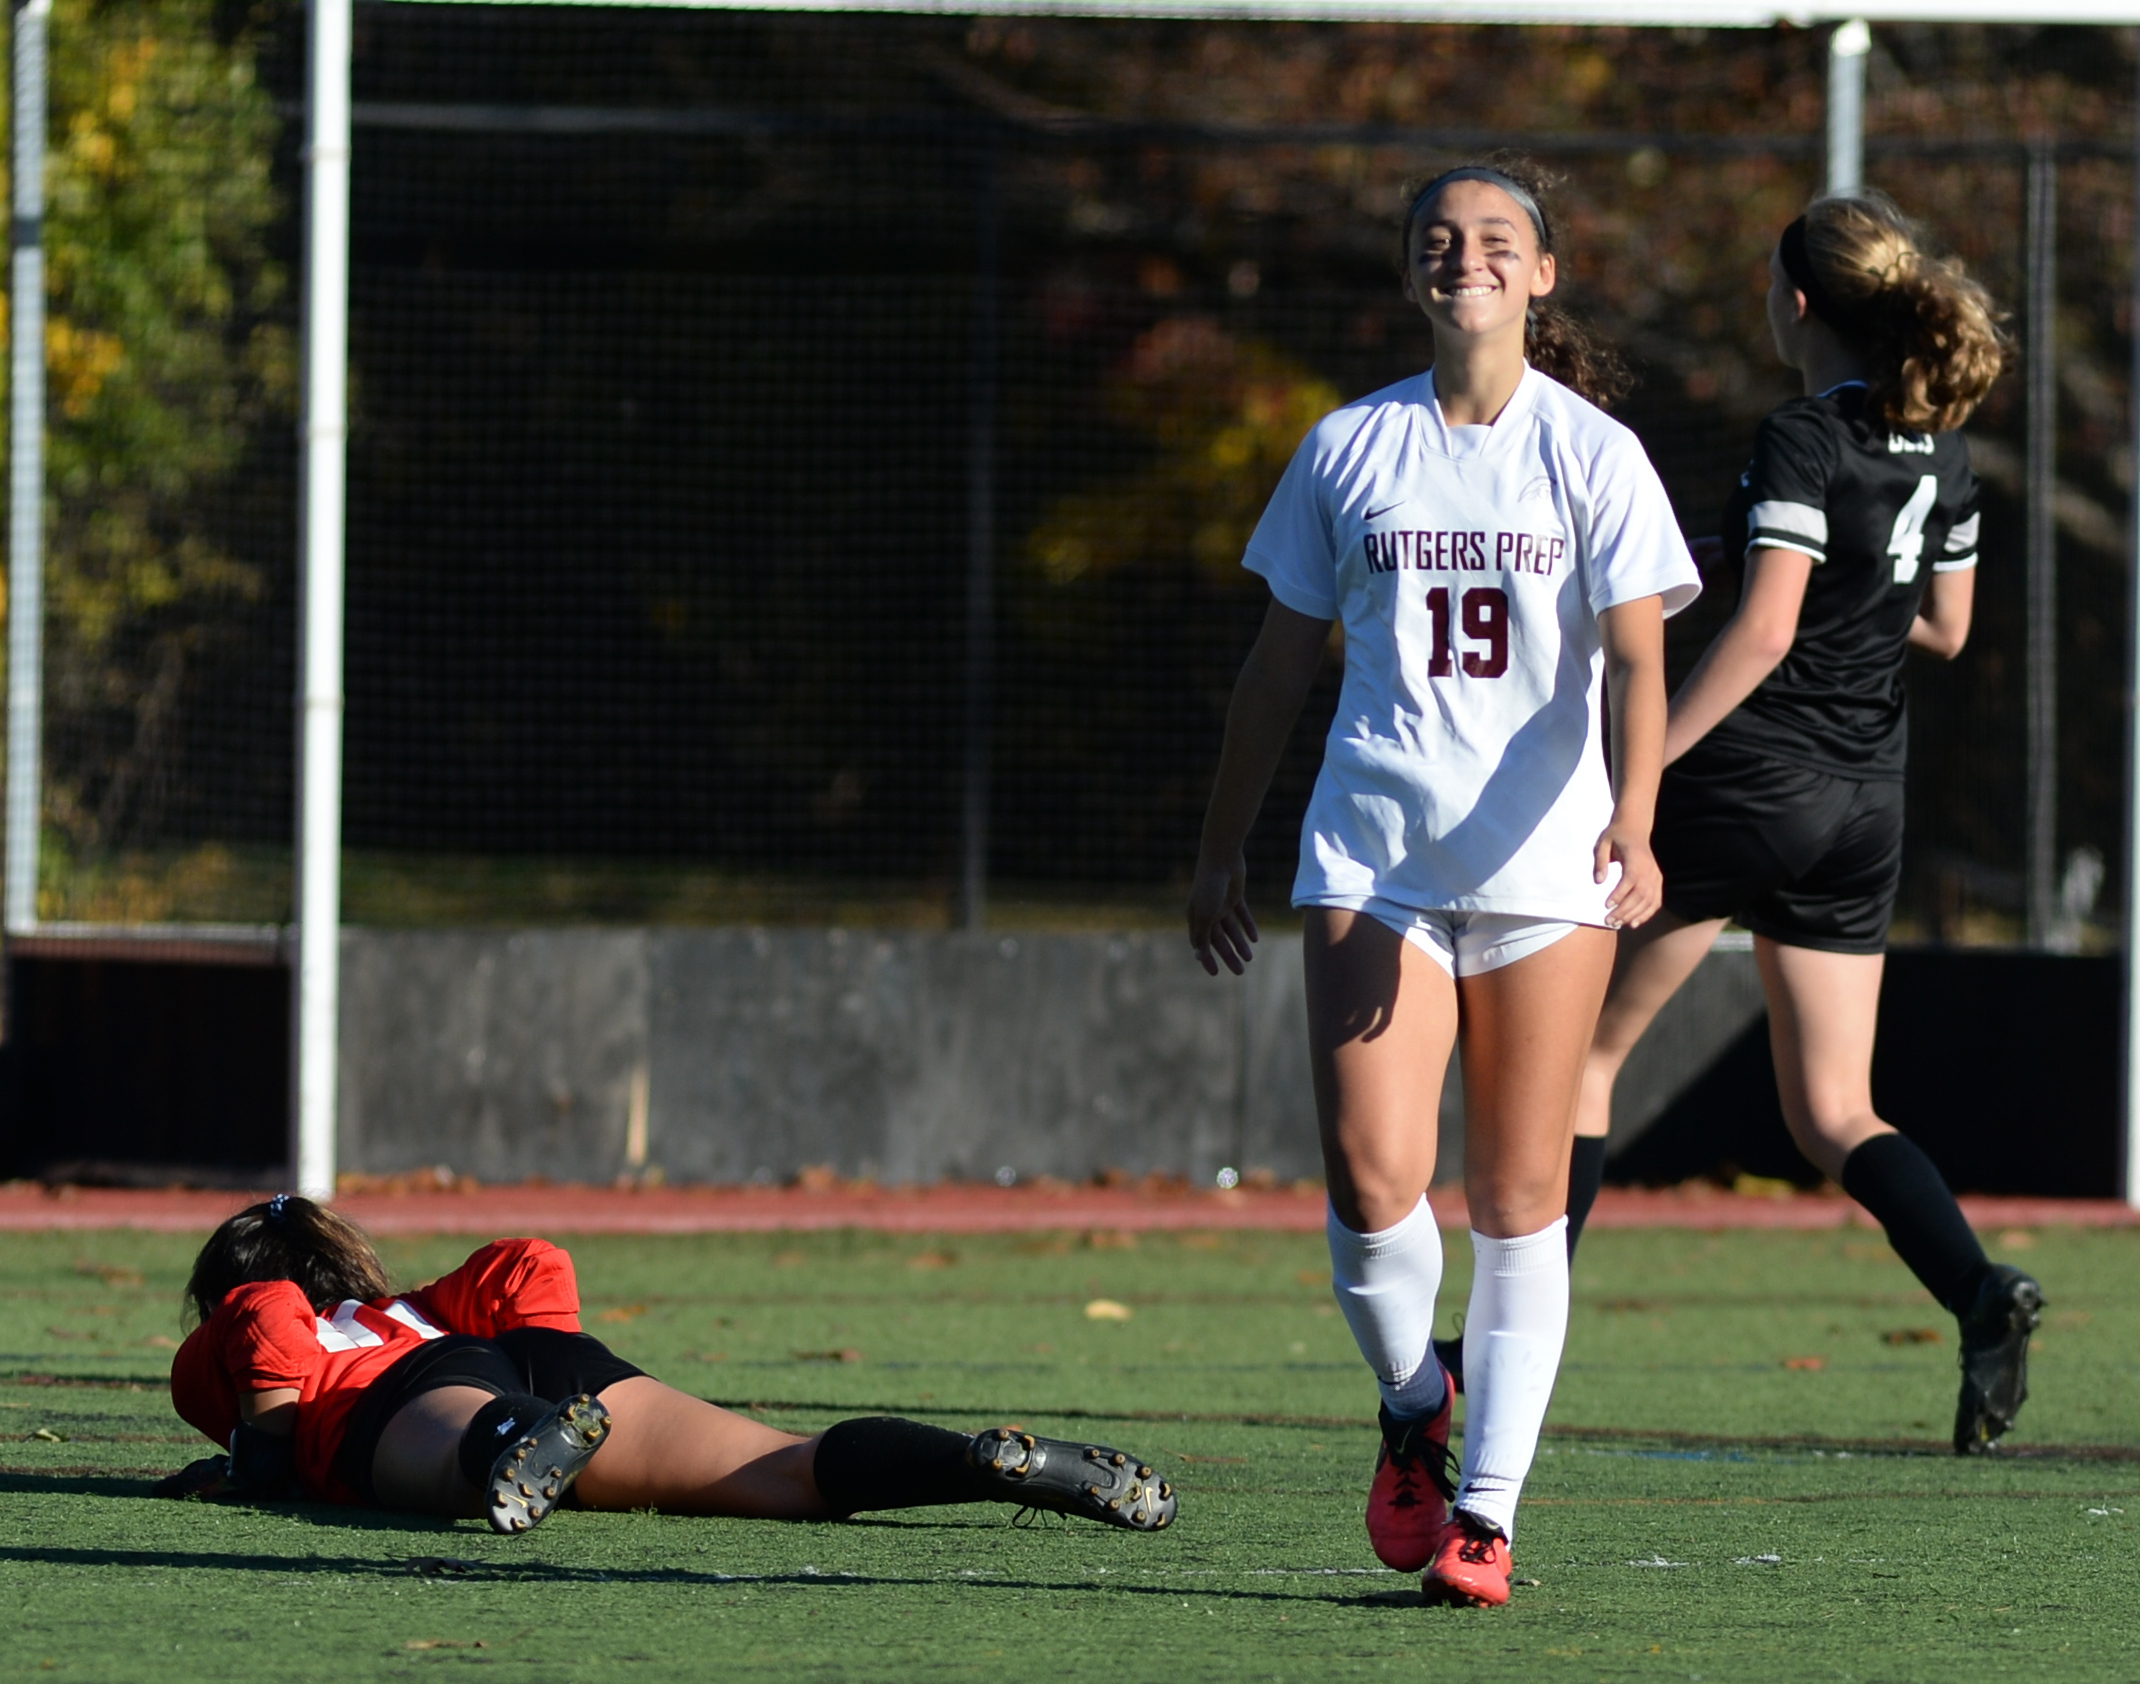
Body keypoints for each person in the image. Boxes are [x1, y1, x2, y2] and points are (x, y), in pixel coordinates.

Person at [1187, 159, 1698, 1608]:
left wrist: (1639, 819)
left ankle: (1486, 1510)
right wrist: (1221, 844)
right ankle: (1416, 1403)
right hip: (1372, 860)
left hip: (1544, 870)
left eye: (1496, 240)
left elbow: (1646, 659)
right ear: (1413, 269)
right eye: (1439, 237)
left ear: (1543, 273)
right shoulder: (1349, 447)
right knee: (1367, 1179)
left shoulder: (1593, 453)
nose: (1463, 257)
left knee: (1520, 1199)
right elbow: (1279, 666)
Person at [1528, 190, 2038, 1457]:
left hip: (1750, 783)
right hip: (1865, 805)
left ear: (1797, 302)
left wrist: (1632, 779)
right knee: (1833, 1114)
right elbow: (1947, 628)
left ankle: (1499, 1340)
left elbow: (1759, 634)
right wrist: (1845, 589)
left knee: (1585, 1063)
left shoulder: (1801, 438)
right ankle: (1979, 1291)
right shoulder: (1950, 449)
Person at [156, 1194, 1177, 1533]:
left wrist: (259, 1460)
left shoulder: (243, 1331)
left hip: (409, 1395)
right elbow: (531, 1267)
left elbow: (261, 1320)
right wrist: (556, 1369)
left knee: (472, 1449)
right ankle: (967, 1461)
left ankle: (522, 1442)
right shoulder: (413, 1303)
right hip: (526, 1358)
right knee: (785, 1468)